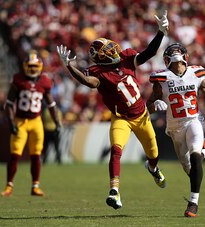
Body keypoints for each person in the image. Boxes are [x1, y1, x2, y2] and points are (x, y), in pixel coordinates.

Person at [56, 11, 169, 210]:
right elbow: (88, 81)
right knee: (116, 152)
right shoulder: (98, 72)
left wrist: (161, 32)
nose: (114, 52)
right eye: (109, 52)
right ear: (101, 58)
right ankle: (114, 192)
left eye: (112, 48)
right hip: (121, 119)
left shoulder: (126, 57)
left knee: (154, 154)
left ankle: (152, 168)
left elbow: (148, 53)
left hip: (142, 116)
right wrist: (69, 66)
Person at [146, 43, 205, 217]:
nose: (176, 55)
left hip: (193, 121)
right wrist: (155, 105)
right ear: (166, 59)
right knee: (189, 168)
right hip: (174, 128)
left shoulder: (196, 73)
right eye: (172, 53)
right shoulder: (161, 78)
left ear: (185, 56)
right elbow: (146, 108)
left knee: (195, 154)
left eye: (178, 52)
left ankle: (193, 203)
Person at [1, 50, 62, 197]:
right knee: (15, 154)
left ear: (40, 67)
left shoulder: (45, 81)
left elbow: (51, 104)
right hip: (20, 120)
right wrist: (11, 123)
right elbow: (9, 104)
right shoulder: (18, 80)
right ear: (25, 66)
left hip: (36, 121)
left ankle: (35, 186)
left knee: (36, 155)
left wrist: (57, 122)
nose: (33, 69)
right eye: (30, 66)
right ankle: (9, 186)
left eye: (35, 67)